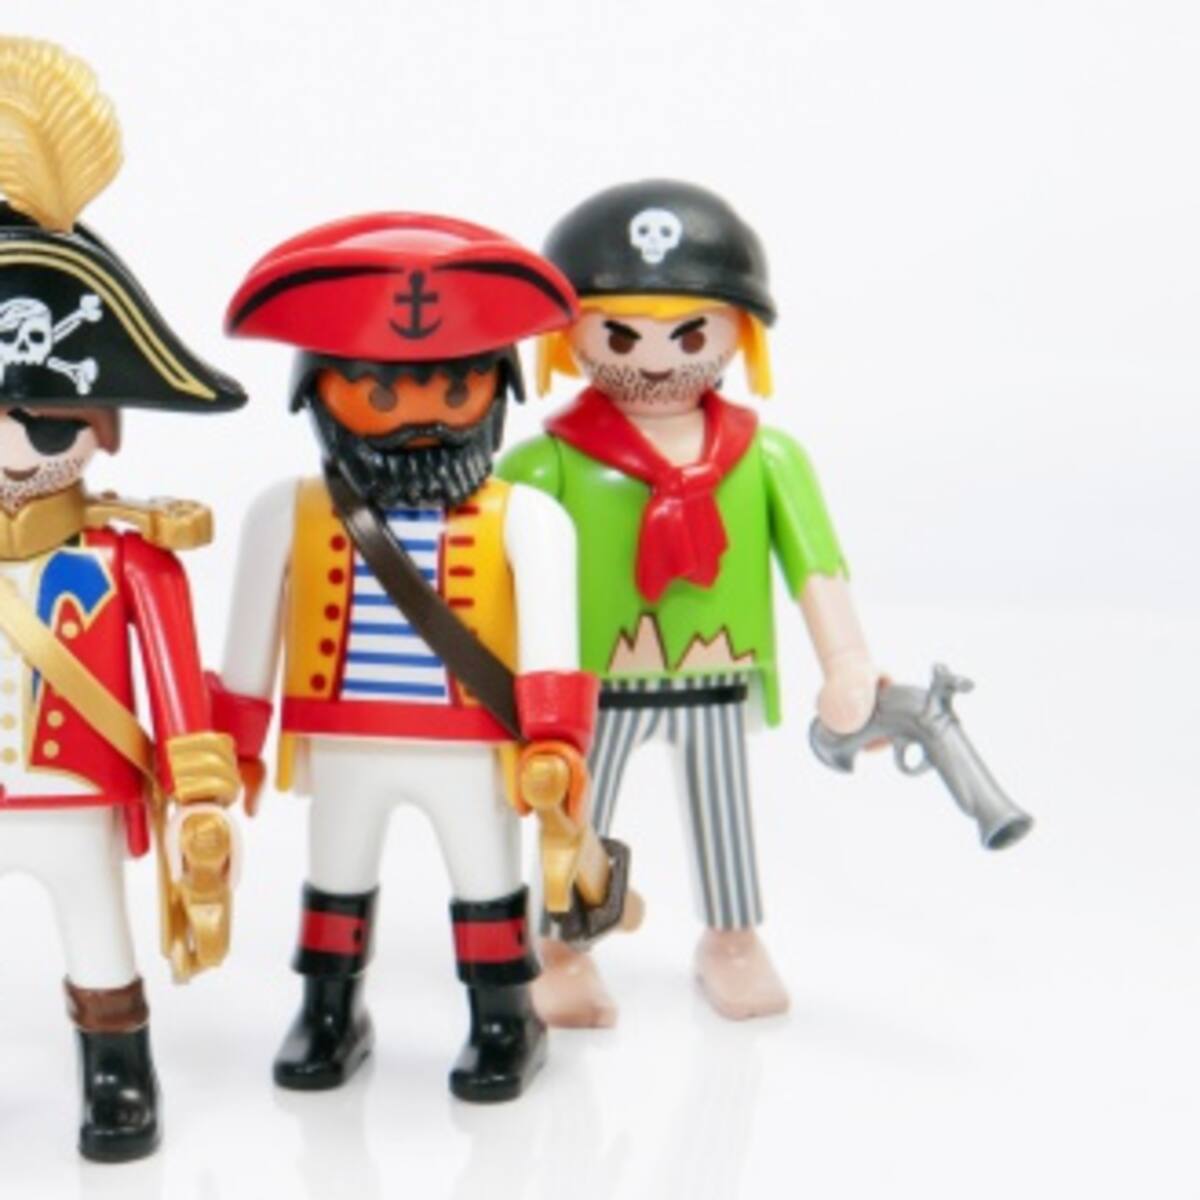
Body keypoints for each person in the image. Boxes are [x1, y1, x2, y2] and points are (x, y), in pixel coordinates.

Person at [213, 212, 598, 1101]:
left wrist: (554, 741)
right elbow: (246, 647)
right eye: (379, 397)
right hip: (342, 741)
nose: (421, 420)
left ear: (496, 391)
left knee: (486, 882)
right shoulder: (288, 513)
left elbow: (554, 644)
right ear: (320, 395)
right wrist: (227, 752)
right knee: (335, 879)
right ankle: (329, 1012)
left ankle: (505, 1018)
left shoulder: (526, 518)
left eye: (456, 391)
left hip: (474, 744)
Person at [499, 180, 880, 1024]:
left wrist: (847, 661)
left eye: (691, 333)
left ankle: (733, 939)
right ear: (568, 334)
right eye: (621, 333)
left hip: (715, 675)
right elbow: (493, 575)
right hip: (589, 689)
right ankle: (563, 946)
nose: (657, 360)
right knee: (578, 817)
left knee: (724, 814)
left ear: (742, 330)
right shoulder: (548, 463)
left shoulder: (768, 458)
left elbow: (816, 569)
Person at [0, 38, 245, 1161]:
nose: (16, 445)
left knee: (97, 931)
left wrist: (198, 795)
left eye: (45, 421)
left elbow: (178, 689)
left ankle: (119, 1076)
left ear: (100, 428)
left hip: (75, 793)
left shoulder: (129, 560)